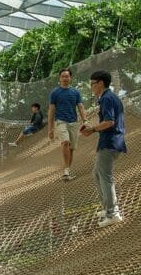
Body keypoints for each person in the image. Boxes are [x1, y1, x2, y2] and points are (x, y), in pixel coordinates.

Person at [80, 70, 127, 228]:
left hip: (110, 142)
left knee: (105, 177)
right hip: (112, 142)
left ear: (100, 83)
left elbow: (109, 121)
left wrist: (92, 129)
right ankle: (108, 208)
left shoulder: (106, 98)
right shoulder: (110, 97)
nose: (91, 87)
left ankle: (112, 213)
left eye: (92, 83)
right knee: (97, 174)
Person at [49, 68, 88, 181]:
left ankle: (67, 171)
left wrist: (85, 120)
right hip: (61, 121)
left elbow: (80, 106)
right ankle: (66, 170)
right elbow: (51, 110)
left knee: (71, 148)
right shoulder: (55, 92)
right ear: (59, 78)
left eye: (67, 76)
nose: (65, 78)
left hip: (74, 122)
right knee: (65, 142)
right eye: (63, 76)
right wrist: (50, 129)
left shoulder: (75, 92)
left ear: (70, 78)